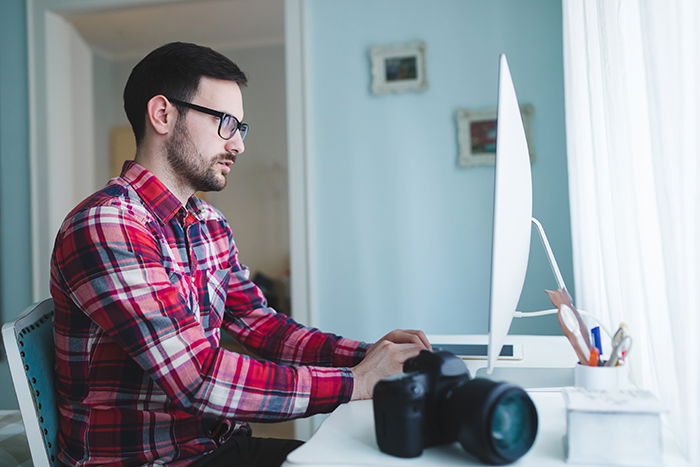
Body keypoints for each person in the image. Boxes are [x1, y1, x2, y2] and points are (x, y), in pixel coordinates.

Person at [50, 42, 430, 466]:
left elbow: (261, 326)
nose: (239, 145)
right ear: (163, 115)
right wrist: (355, 382)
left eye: (240, 128)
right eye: (226, 123)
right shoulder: (108, 225)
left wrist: (369, 356)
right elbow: (199, 377)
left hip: (216, 447)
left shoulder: (209, 223)